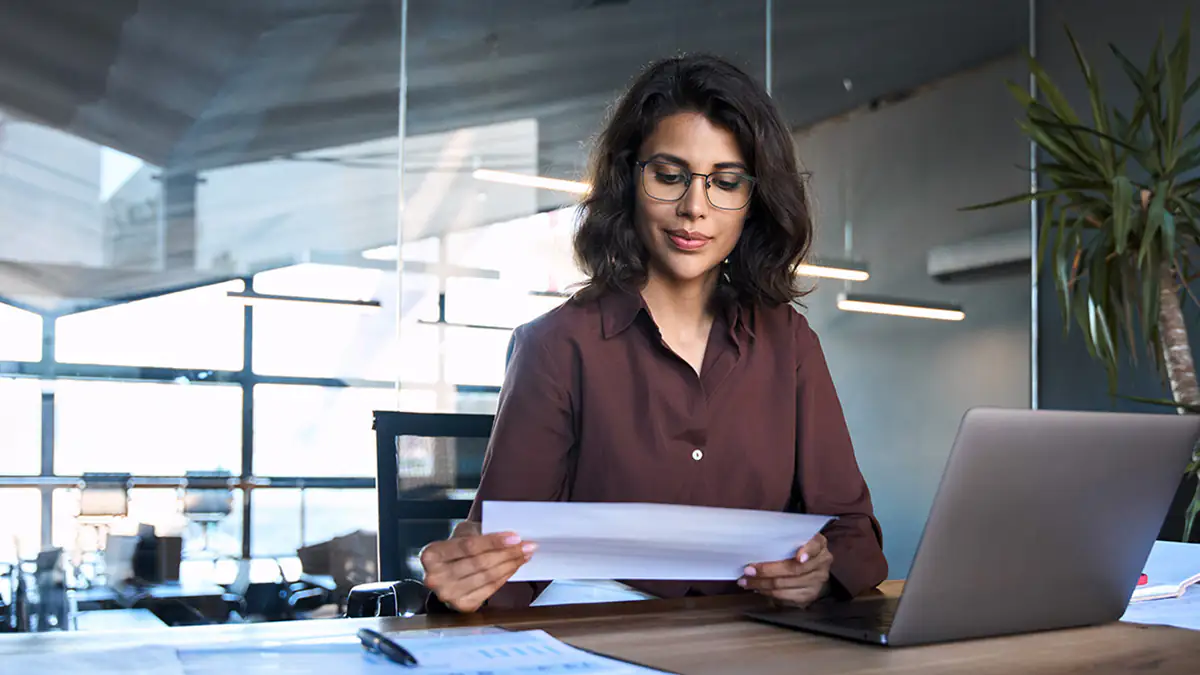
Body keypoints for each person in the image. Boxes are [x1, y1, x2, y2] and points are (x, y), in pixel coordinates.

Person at [419, 53, 887, 613]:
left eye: (726, 182)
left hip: (759, 642)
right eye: (669, 176)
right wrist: (466, 578)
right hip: (602, 637)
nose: (695, 208)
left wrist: (819, 573)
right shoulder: (556, 346)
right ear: (628, 180)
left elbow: (854, 536)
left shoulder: (789, 343)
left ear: (752, 202)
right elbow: (503, 566)